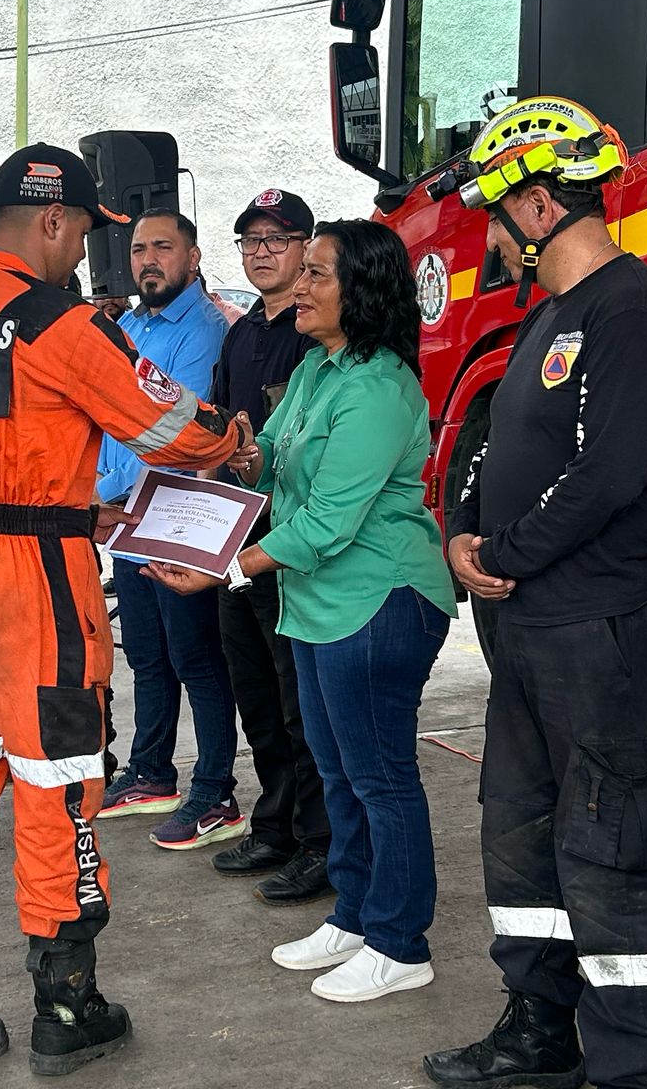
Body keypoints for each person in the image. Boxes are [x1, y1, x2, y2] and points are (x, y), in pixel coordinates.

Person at [0, 143, 247, 1086]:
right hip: (31, 585)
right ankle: (66, 1005)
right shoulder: (51, 318)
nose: (87, 251)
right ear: (52, 219)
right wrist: (230, 436)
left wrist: (37, 493)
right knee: (60, 785)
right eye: (85, 232)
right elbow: (167, 424)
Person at [424, 98, 647, 1089]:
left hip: (592, 629)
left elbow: (611, 474)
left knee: (607, 852)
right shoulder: (544, 319)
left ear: (537, 208)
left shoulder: (630, 309)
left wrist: (506, 550)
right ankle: (538, 1030)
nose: (488, 240)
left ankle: (631, 1068)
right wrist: (464, 530)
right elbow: (502, 445)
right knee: (523, 838)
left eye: (497, 218)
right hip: (529, 629)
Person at [147, 219, 455, 1002]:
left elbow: (324, 523)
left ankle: (399, 940)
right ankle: (354, 914)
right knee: (340, 774)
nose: (302, 287)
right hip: (317, 604)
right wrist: (235, 454)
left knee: (381, 779)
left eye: (319, 273)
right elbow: (268, 462)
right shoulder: (320, 369)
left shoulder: (381, 387)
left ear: (365, 290)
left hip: (378, 601)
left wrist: (219, 567)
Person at [94, 208, 243, 852]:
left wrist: (104, 492)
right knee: (148, 655)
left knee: (196, 658)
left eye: (162, 247)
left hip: (178, 508)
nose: (147, 260)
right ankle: (152, 771)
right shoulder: (127, 325)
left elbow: (167, 431)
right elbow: (100, 417)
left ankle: (215, 790)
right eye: (137, 250)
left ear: (194, 257)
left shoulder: (205, 328)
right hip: (126, 511)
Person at [204, 188, 330, 905]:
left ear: (306, 247)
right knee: (254, 690)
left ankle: (320, 842)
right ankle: (276, 822)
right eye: (249, 241)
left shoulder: (314, 334)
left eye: (276, 240)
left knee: (297, 700)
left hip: (290, 545)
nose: (261, 252)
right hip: (236, 537)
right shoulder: (242, 331)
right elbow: (228, 436)